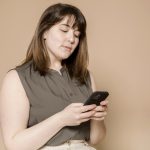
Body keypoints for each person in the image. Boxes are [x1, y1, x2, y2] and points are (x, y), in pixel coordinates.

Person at [0, 3, 108, 150]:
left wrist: (97, 118)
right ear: (44, 32)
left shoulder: (86, 76)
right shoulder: (16, 78)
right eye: (64, 30)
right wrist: (62, 119)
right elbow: (13, 145)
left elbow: (95, 139)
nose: (72, 39)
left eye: (77, 35)